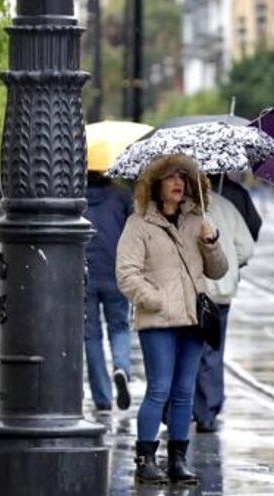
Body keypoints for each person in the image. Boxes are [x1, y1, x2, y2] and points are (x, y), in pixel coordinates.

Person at [116, 154, 228, 486]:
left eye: (183, 176)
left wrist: (211, 244)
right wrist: (156, 300)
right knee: (159, 389)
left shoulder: (197, 219)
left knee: (184, 391)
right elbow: (126, 274)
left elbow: (218, 270)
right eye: (170, 177)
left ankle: (178, 459)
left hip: (193, 320)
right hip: (159, 321)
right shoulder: (139, 224)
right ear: (155, 184)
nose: (178, 182)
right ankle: (145, 459)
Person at [193, 189, 255, 433]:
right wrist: (231, 266)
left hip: (195, 292)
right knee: (213, 351)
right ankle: (207, 412)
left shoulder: (183, 210)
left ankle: (183, 407)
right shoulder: (225, 205)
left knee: (188, 350)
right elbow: (247, 248)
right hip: (221, 293)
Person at [83, 171, 134, 412]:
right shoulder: (122, 196)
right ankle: (121, 367)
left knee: (91, 336)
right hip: (117, 272)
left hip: (84, 275)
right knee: (119, 326)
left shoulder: (75, 198)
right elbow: (133, 233)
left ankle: (102, 398)